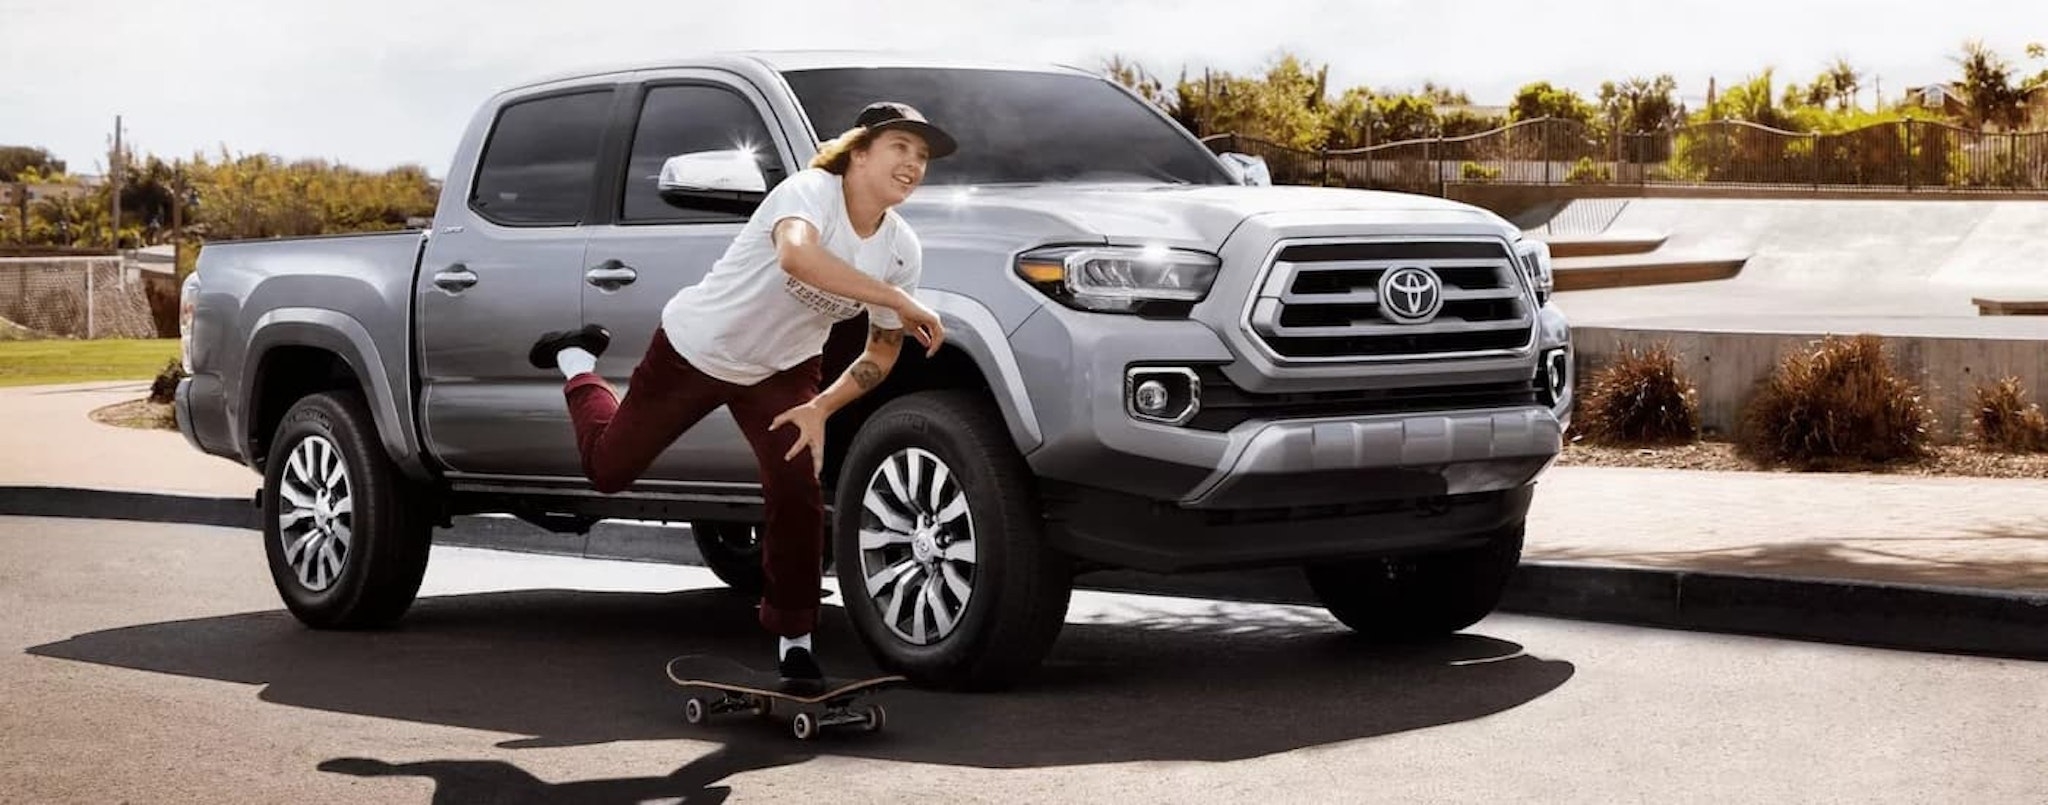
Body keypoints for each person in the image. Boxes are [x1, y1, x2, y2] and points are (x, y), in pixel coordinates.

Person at [526, 101, 954, 686]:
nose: (913, 164)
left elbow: (881, 350)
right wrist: (901, 301)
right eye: (899, 148)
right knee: (608, 468)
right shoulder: (808, 192)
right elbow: (798, 257)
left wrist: (820, 407)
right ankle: (576, 361)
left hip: (782, 370)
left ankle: (795, 641)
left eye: (922, 156)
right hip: (696, 349)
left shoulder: (902, 248)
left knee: (797, 492)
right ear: (858, 152)